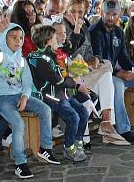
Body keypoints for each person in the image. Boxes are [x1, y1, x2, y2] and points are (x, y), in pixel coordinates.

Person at [0, 23, 58, 177]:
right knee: (18, 124)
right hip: (2, 99)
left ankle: (46, 148)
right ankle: (20, 163)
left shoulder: (21, 59)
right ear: (4, 38)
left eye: (20, 38)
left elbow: (28, 82)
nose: (18, 41)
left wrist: (25, 97)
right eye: (13, 37)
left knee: (45, 109)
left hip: (19, 96)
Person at [60, 0, 128, 146]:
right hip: (70, 75)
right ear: (66, 11)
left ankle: (106, 122)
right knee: (106, 76)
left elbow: (89, 52)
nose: (77, 15)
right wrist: (75, 31)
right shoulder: (60, 27)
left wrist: (95, 58)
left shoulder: (84, 28)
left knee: (106, 68)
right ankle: (107, 123)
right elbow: (66, 53)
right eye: (73, 11)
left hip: (85, 70)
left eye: (80, 12)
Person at [89, 0, 134, 143]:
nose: (110, 18)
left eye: (114, 15)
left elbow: (124, 59)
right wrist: (120, 73)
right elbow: (99, 62)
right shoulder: (95, 31)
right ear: (102, 12)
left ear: (119, 15)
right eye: (108, 14)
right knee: (117, 86)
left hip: (116, 72)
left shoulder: (119, 32)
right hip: (102, 75)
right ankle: (123, 129)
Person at [28, 25, 89, 162]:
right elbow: (58, 80)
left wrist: (77, 31)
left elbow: (69, 48)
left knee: (83, 112)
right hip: (51, 97)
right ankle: (69, 148)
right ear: (48, 41)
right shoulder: (40, 59)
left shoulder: (51, 54)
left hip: (63, 95)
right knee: (73, 117)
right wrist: (75, 81)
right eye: (55, 38)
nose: (58, 41)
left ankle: (77, 142)